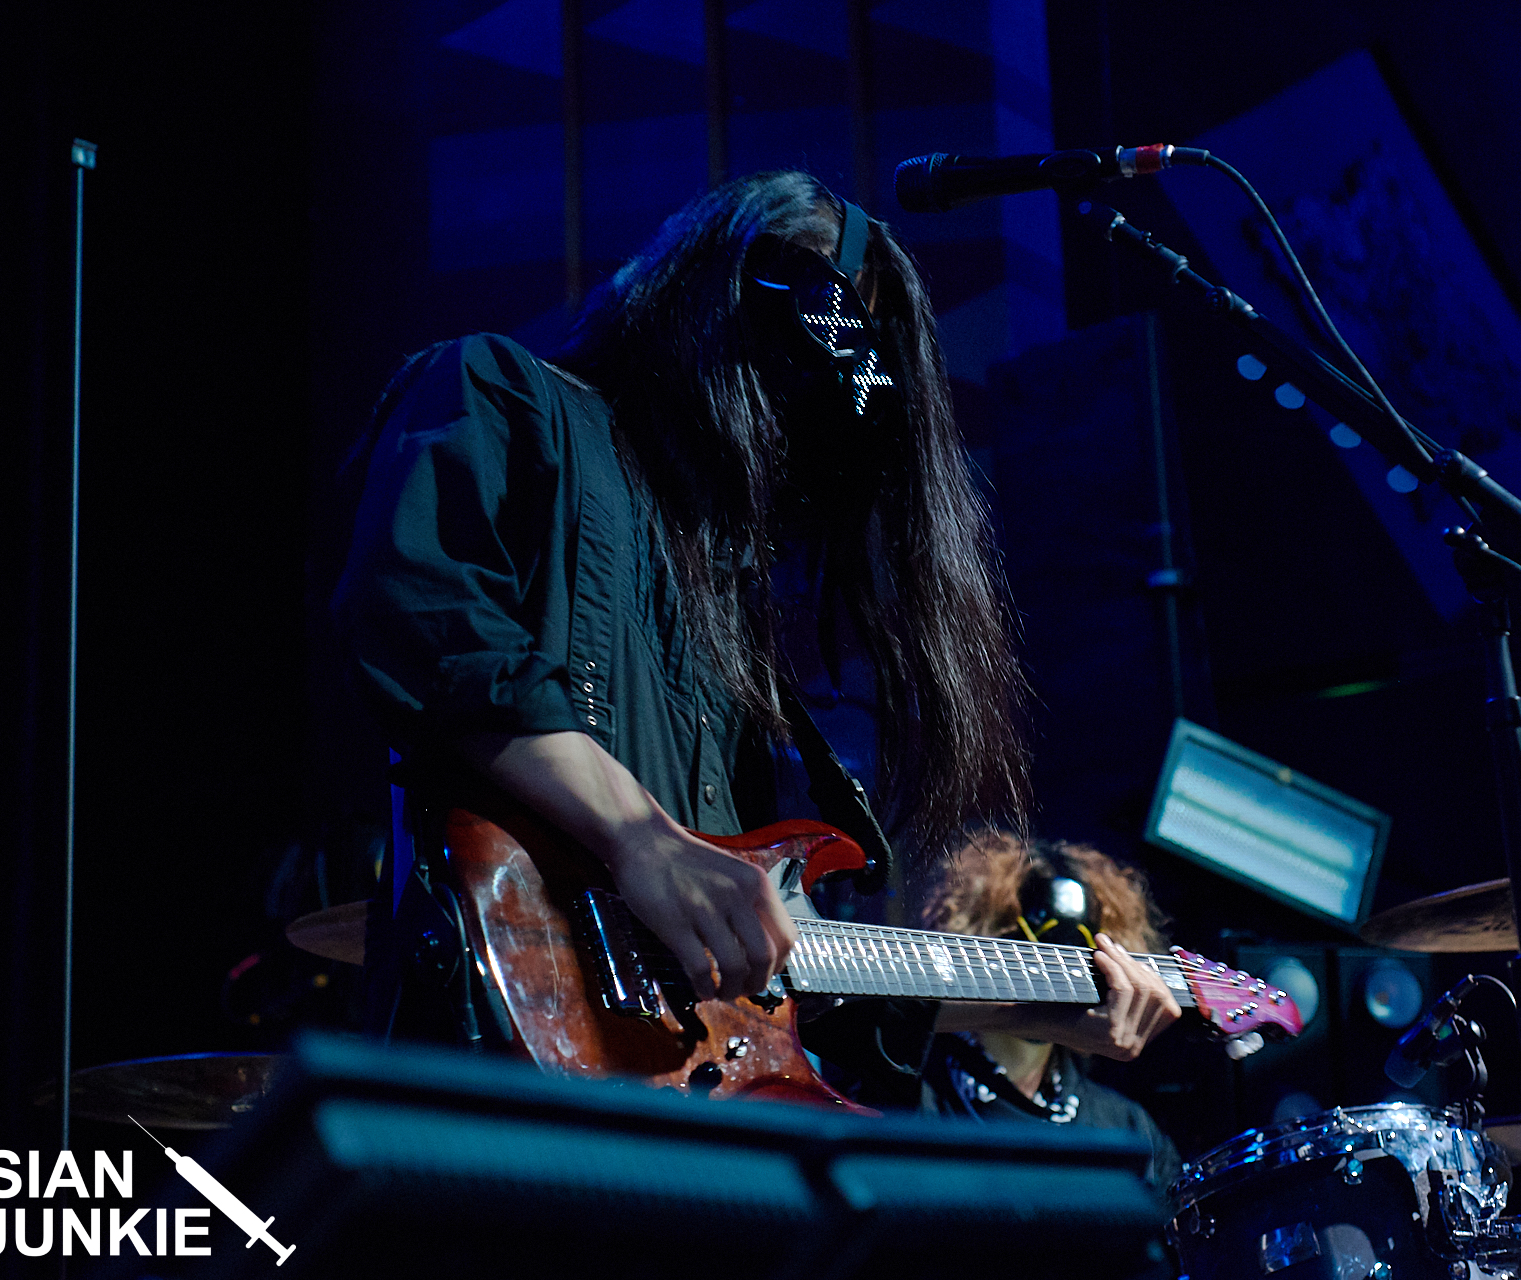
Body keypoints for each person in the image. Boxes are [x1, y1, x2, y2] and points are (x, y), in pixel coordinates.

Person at [332, 170, 1178, 1067]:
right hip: (490, 1054)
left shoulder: (723, 592)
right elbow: (423, 615)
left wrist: (1032, 1007)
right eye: (819, 352)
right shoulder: (503, 392)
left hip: (666, 1102)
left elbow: (764, 981)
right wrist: (640, 837)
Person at [921, 831, 1183, 1189]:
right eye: (1031, 942)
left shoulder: (1129, 1130)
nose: (1055, 970)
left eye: (1078, 948)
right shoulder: (908, 1093)